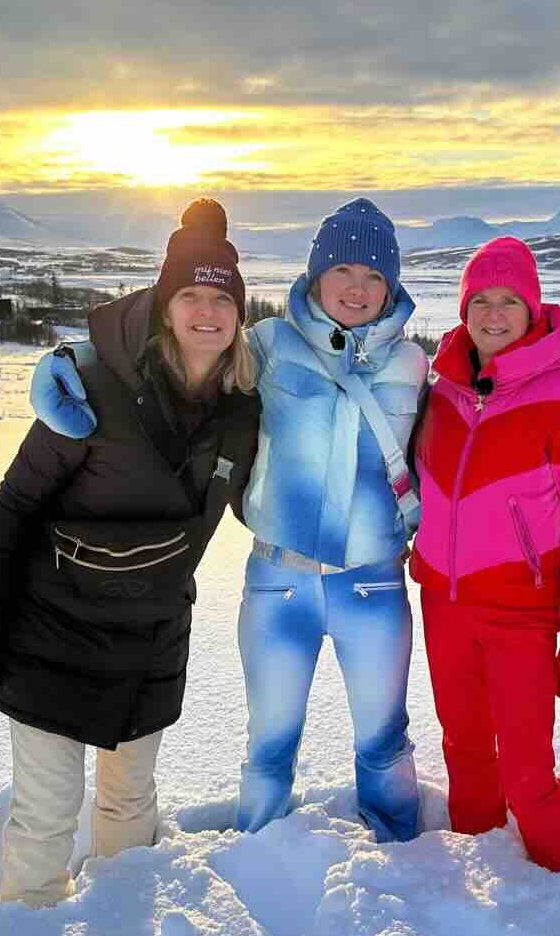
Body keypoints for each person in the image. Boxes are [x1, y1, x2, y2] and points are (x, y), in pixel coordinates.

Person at [30, 199, 426, 843]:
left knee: (384, 739)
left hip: (373, 586)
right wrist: (76, 359)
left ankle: (402, 859)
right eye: (343, 270)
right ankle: (260, 855)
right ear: (315, 276)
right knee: (270, 743)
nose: (358, 288)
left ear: (392, 287)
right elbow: (180, 355)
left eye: (375, 276)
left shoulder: (413, 365)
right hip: (279, 584)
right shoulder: (267, 347)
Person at [0, 198, 261, 906]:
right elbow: (18, 500)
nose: (206, 312)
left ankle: (119, 933)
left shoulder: (244, 408)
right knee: (48, 812)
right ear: (162, 305)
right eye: (190, 295)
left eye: (222, 300)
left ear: (240, 315)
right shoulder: (88, 388)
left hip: (150, 638)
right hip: (52, 630)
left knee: (128, 803)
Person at [410, 238, 560, 879]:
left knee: (528, 772)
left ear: (533, 308)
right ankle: (479, 870)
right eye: (480, 300)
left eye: (509, 300)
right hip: (444, 604)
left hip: (521, 615)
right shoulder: (442, 390)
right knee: (464, 748)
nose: (493, 313)